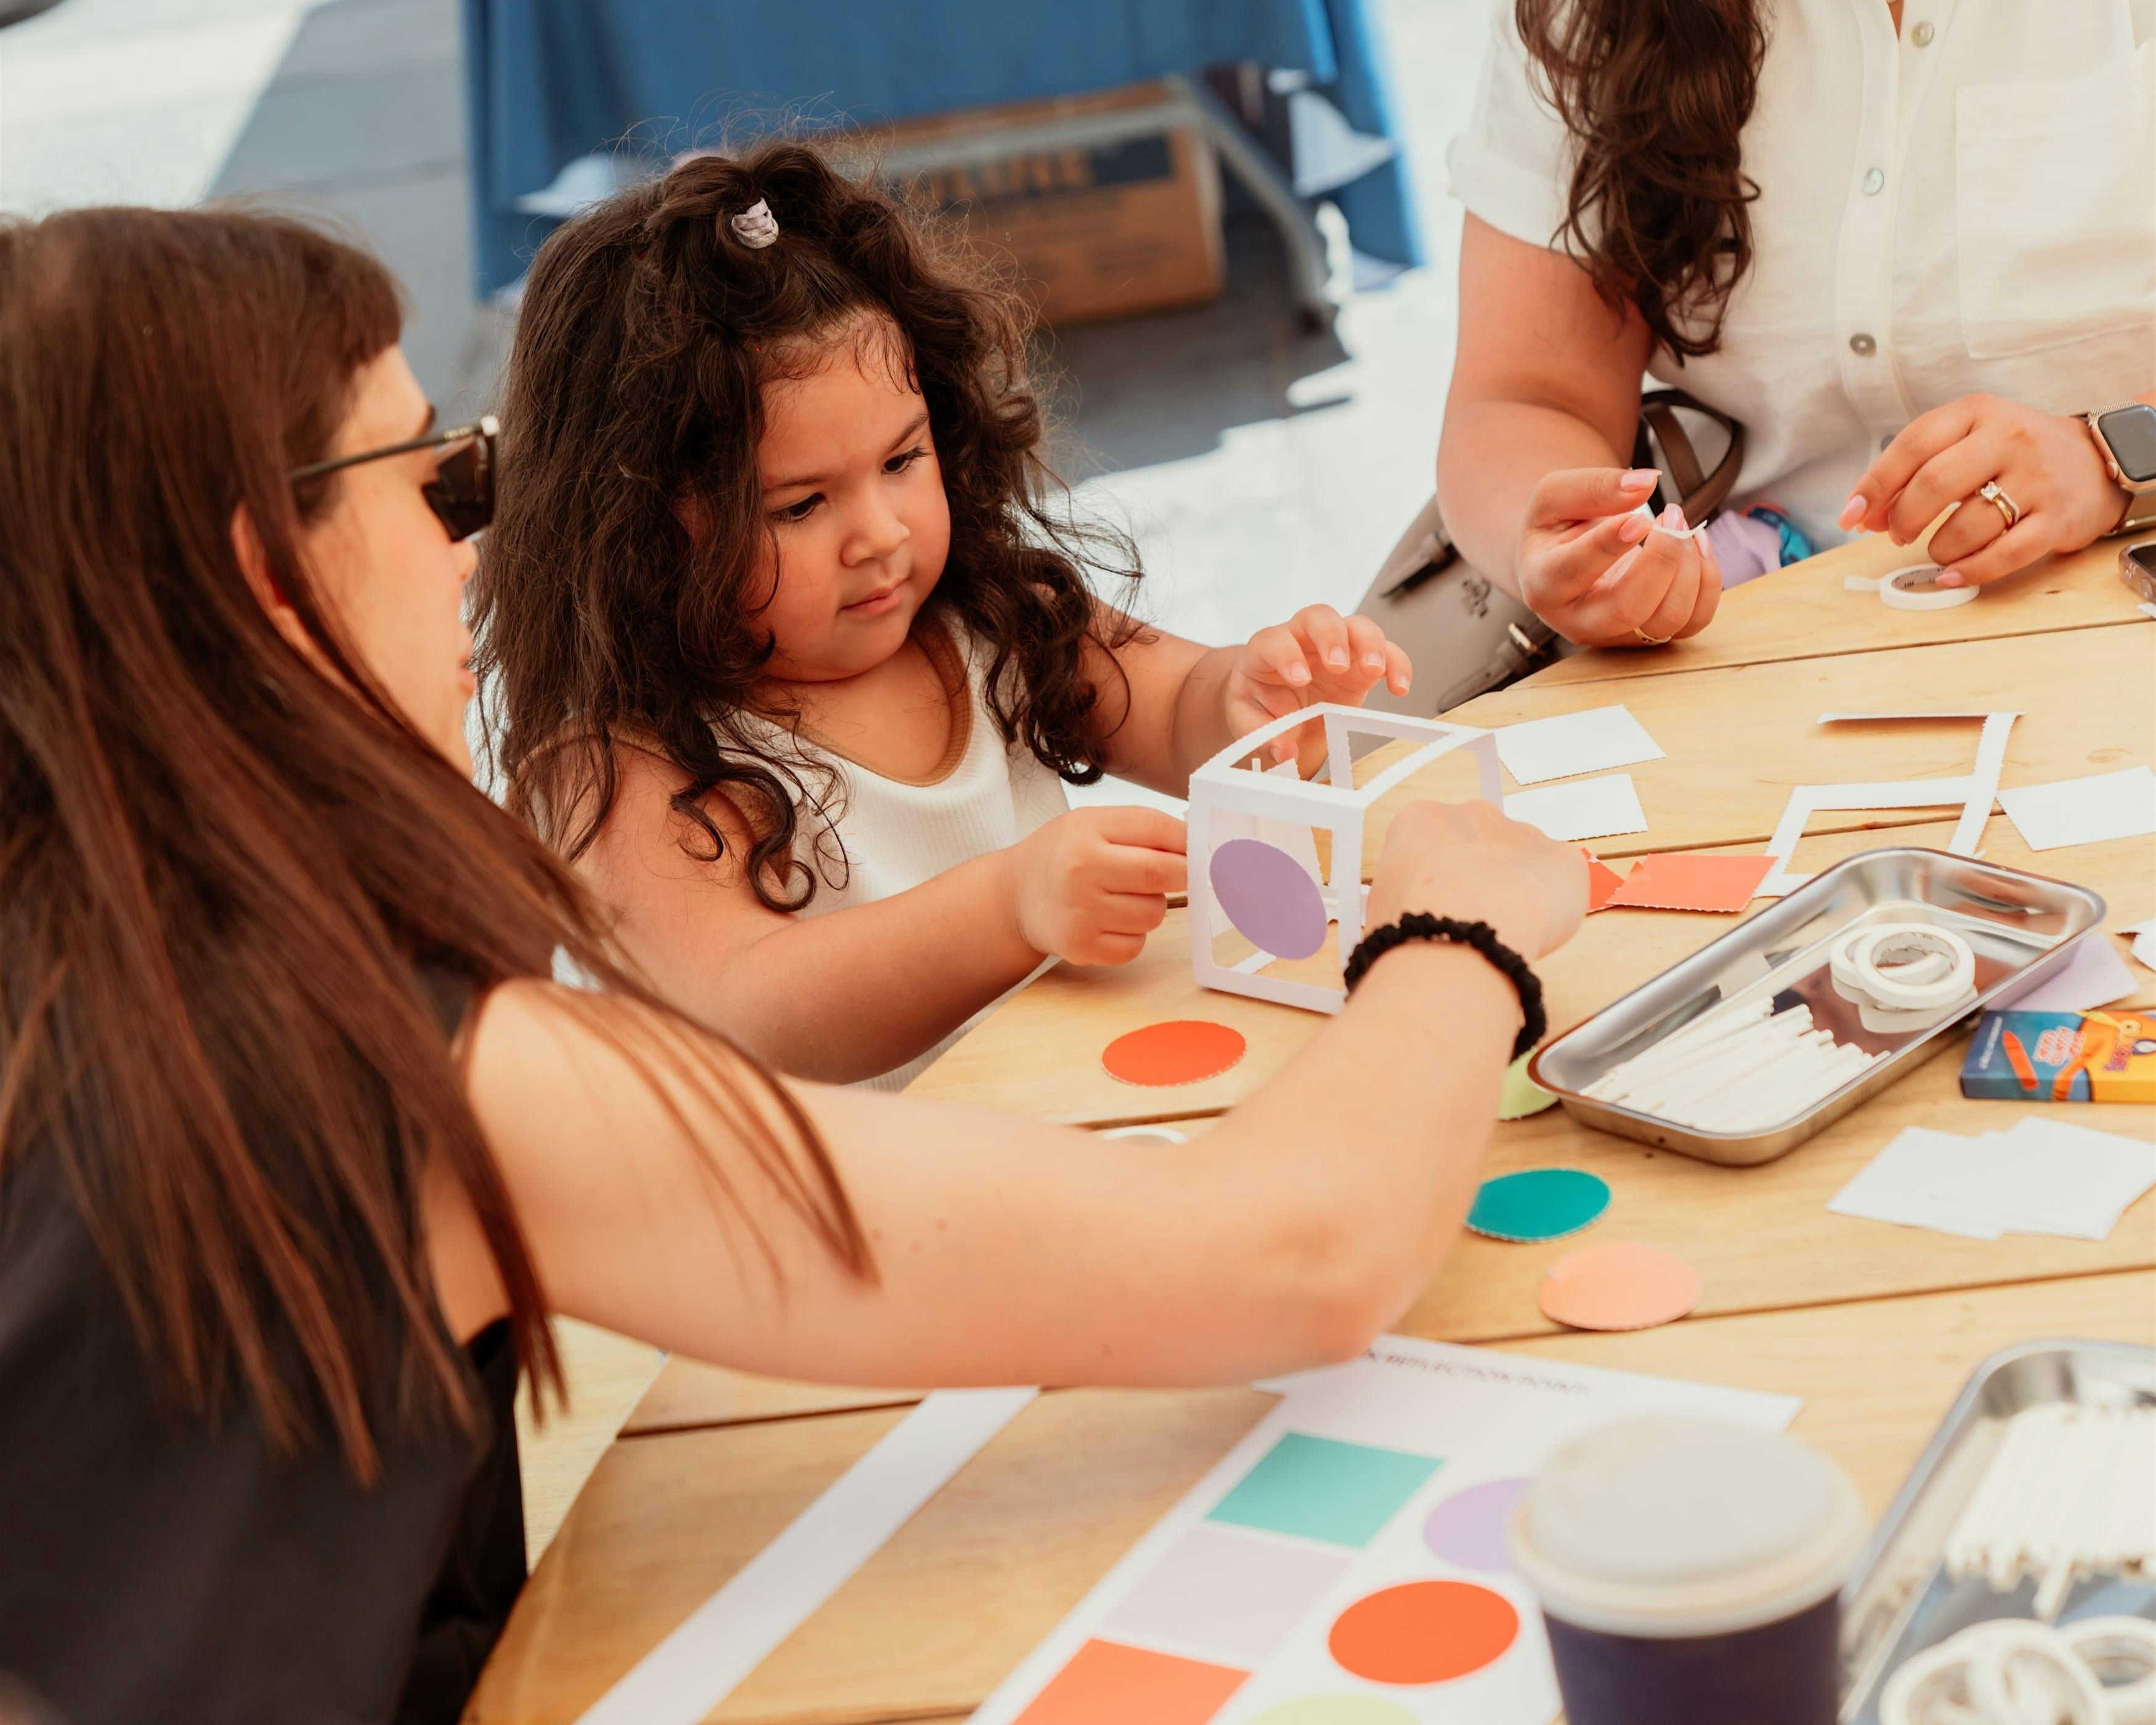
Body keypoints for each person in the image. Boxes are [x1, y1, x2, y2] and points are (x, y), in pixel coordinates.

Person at [0, 206, 1584, 1724]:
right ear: (271, 569)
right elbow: (1290, 1258)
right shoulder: (404, 1075)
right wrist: (1454, 934)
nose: (476, 559)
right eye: (441, 489)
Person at [474, 145, 1414, 1090]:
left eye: (902, 460)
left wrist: (1254, 700)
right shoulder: (625, 765)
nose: (880, 536)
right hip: (841, 1214)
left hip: (1049, 1123)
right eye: (800, 507)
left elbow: (1175, 712)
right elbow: (745, 1007)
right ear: (641, 536)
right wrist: (1008, 907)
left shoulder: (985, 618)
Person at [1437, 0, 2156, 649]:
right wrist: (1580, 549)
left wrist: (2112, 460)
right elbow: (1525, 398)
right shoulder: (1590, 17)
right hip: (1744, 656)